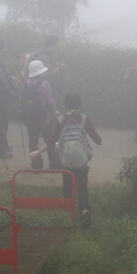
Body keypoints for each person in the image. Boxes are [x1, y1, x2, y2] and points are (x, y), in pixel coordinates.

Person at [28, 92, 102, 228]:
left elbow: (51, 141)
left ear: (66, 105)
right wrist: (97, 139)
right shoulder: (85, 119)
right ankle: (85, 210)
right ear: (79, 104)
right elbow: (98, 140)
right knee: (83, 186)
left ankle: (68, 211)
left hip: (66, 162)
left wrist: (37, 152)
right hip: (82, 162)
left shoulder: (60, 120)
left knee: (67, 182)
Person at [24, 59, 59, 169]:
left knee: (33, 142)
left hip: (30, 118)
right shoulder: (45, 84)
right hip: (45, 118)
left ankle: (36, 165)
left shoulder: (26, 83)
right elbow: (50, 102)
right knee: (50, 141)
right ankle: (54, 165)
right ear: (41, 72)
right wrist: (55, 111)